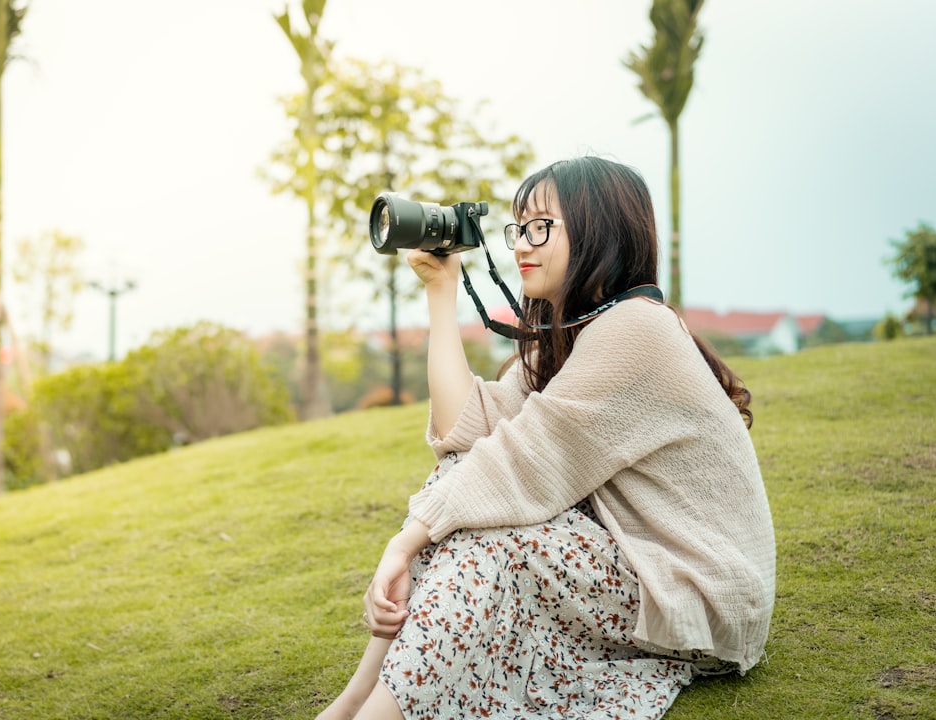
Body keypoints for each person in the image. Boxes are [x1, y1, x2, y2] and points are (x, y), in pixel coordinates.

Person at [317, 156, 776, 720]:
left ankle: (365, 714)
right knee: (460, 481)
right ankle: (356, 702)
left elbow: (524, 461)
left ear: (599, 230)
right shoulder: (570, 339)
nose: (520, 244)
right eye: (518, 228)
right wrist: (442, 290)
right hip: (641, 567)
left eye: (541, 226)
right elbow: (470, 426)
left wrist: (405, 541)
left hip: (700, 593)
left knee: (493, 539)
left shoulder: (635, 328)